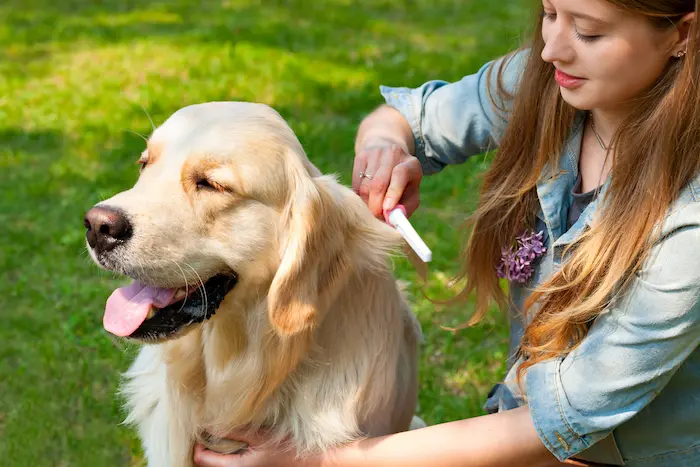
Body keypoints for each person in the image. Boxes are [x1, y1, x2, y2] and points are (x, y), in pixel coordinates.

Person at [193, 0, 700, 465]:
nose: (550, 49)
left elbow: (564, 420)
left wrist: (319, 460)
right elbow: (404, 117)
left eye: (588, 32)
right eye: (549, 13)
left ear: (682, 33)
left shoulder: (690, 225)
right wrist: (385, 149)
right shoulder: (544, 81)